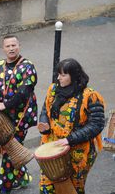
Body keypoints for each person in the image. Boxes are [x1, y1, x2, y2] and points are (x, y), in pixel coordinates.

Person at [38, 58, 105, 194]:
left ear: (73, 76)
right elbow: (45, 110)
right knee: (46, 189)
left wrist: (70, 139)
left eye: (63, 75)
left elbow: (97, 124)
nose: (59, 78)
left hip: (78, 152)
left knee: (73, 190)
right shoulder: (53, 89)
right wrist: (45, 124)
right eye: (58, 74)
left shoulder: (90, 96)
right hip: (53, 150)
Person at [0, 35, 38, 193]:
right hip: (2, 118)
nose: (11, 48)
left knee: (10, 150)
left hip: (21, 117)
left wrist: (6, 104)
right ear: (3, 48)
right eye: (8, 46)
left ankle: (3, 187)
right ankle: (23, 177)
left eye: (14, 45)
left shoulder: (28, 67)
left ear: (19, 46)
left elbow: (24, 92)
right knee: (12, 149)